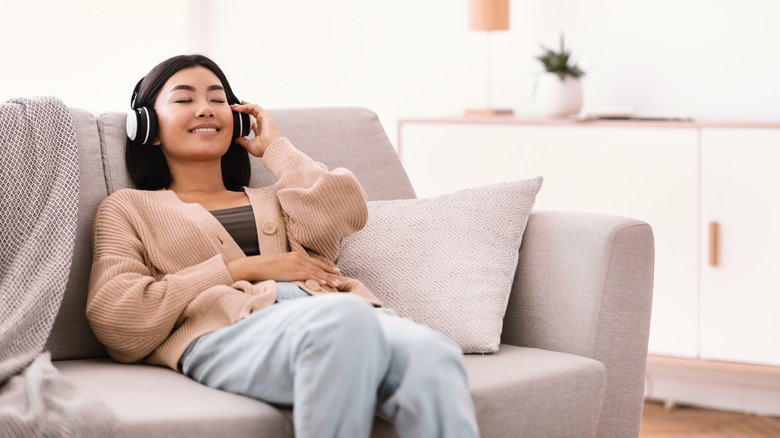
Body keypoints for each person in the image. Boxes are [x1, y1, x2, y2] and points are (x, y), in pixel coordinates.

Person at [86, 54, 479, 438]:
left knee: (433, 354)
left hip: (335, 311)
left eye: (219, 99)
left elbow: (345, 208)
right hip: (231, 332)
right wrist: (242, 270)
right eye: (185, 99)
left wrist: (276, 149)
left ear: (237, 117)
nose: (206, 109)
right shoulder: (129, 208)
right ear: (148, 128)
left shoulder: (278, 197)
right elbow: (116, 316)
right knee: (344, 321)